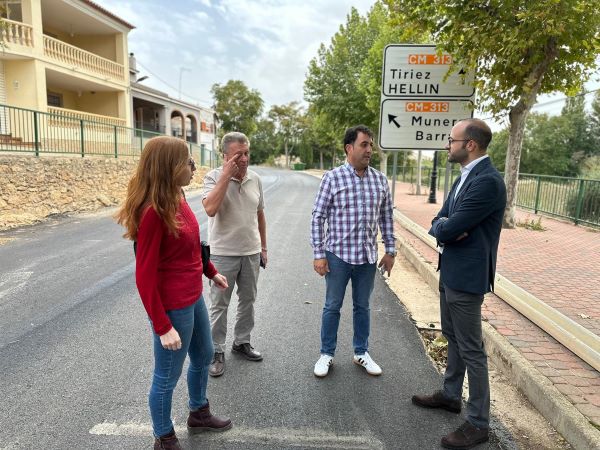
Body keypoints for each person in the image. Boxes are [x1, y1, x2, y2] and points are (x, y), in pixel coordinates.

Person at [115, 136, 232, 450]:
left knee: (204, 355)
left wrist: (211, 272)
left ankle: (198, 412)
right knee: (167, 375)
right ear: (169, 167)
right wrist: (162, 325)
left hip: (193, 297)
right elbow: (144, 276)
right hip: (172, 307)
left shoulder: (177, 196)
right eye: (187, 161)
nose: (194, 167)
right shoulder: (153, 212)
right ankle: (164, 437)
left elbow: (191, 246)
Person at [411, 119, 506, 449]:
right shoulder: (466, 177)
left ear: (470, 145)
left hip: (467, 277)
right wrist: (445, 225)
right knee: (452, 336)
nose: (447, 145)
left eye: (452, 140)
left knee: (471, 348)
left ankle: (479, 422)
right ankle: (452, 395)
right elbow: (440, 221)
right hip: (451, 269)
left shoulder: (488, 182)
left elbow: (449, 228)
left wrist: (447, 226)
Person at [310, 124, 396, 378]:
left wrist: (390, 250)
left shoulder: (380, 180)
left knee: (363, 306)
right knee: (332, 306)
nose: (369, 149)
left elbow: (387, 218)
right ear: (349, 148)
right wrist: (319, 253)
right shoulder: (333, 178)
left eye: (370, 144)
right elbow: (318, 217)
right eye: (364, 144)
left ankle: (361, 352)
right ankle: (326, 354)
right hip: (337, 256)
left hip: (367, 258)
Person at [203, 131, 267, 377]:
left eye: (247, 153)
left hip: (250, 251)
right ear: (225, 156)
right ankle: (216, 350)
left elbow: (260, 214)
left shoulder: (255, 179)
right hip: (222, 255)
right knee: (220, 305)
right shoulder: (212, 177)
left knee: (248, 300)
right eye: (238, 155)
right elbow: (210, 208)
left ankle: (241, 342)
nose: (244, 159)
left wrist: (263, 247)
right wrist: (225, 177)